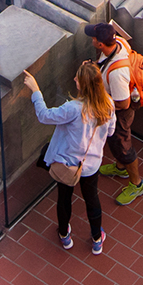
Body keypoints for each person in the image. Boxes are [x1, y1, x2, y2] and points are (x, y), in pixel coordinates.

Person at [22, 61, 115, 254]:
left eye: (78, 79)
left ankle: (65, 235)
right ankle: (97, 239)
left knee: (64, 198)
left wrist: (35, 90)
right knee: (92, 200)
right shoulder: (108, 104)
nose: (74, 79)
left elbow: (44, 116)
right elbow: (111, 131)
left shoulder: (73, 109)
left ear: (84, 85)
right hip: (91, 164)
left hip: (68, 164)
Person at [84, 22, 143, 206]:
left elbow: (123, 103)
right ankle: (120, 168)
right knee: (114, 143)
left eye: (93, 39)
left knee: (123, 145)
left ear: (100, 44)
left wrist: (102, 102)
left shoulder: (117, 74)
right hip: (118, 105)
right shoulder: (117, 42)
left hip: (120, 113)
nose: (92, 40)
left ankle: (136, 184)